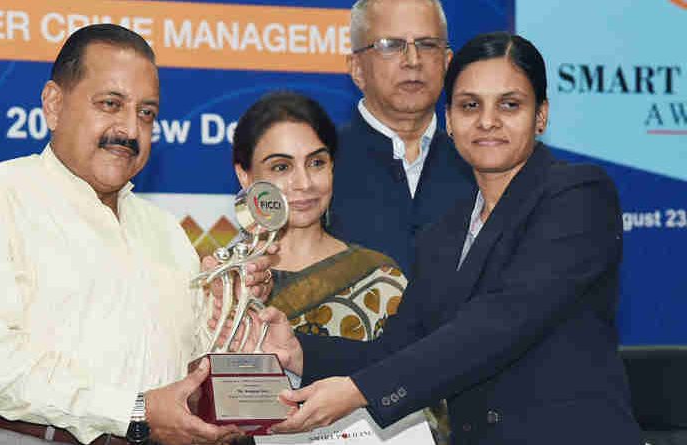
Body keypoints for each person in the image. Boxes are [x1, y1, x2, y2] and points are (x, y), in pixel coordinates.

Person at [255, 32, 644, 444]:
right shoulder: (444, 234)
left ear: (541, 115)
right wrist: (299, 350)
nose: (487, 121)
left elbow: (501, 321)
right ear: (451, 121)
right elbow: (398, 350)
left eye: (510, 105)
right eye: (470, 105)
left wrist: (358, 392)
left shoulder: (577, 194)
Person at [0, 24, 273, 445]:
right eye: (111, 104)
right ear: (54, 105)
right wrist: (137, 411)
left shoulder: (163, 230)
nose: (129, 129)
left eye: (146, 113)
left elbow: (185, 368)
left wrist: (228, 313)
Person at [231, 92, 435, 444]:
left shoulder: (380, 280)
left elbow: (419, 388)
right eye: (281, 167)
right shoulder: (223, 286)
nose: (304, 183)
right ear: (245, 176)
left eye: (316, 163)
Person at [328, 0, 474, 274]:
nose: (413, 61)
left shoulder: (480, 166)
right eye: (390, 45)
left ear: (447, 63)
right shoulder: (319, 166)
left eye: (428, 44)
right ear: (357, 68)